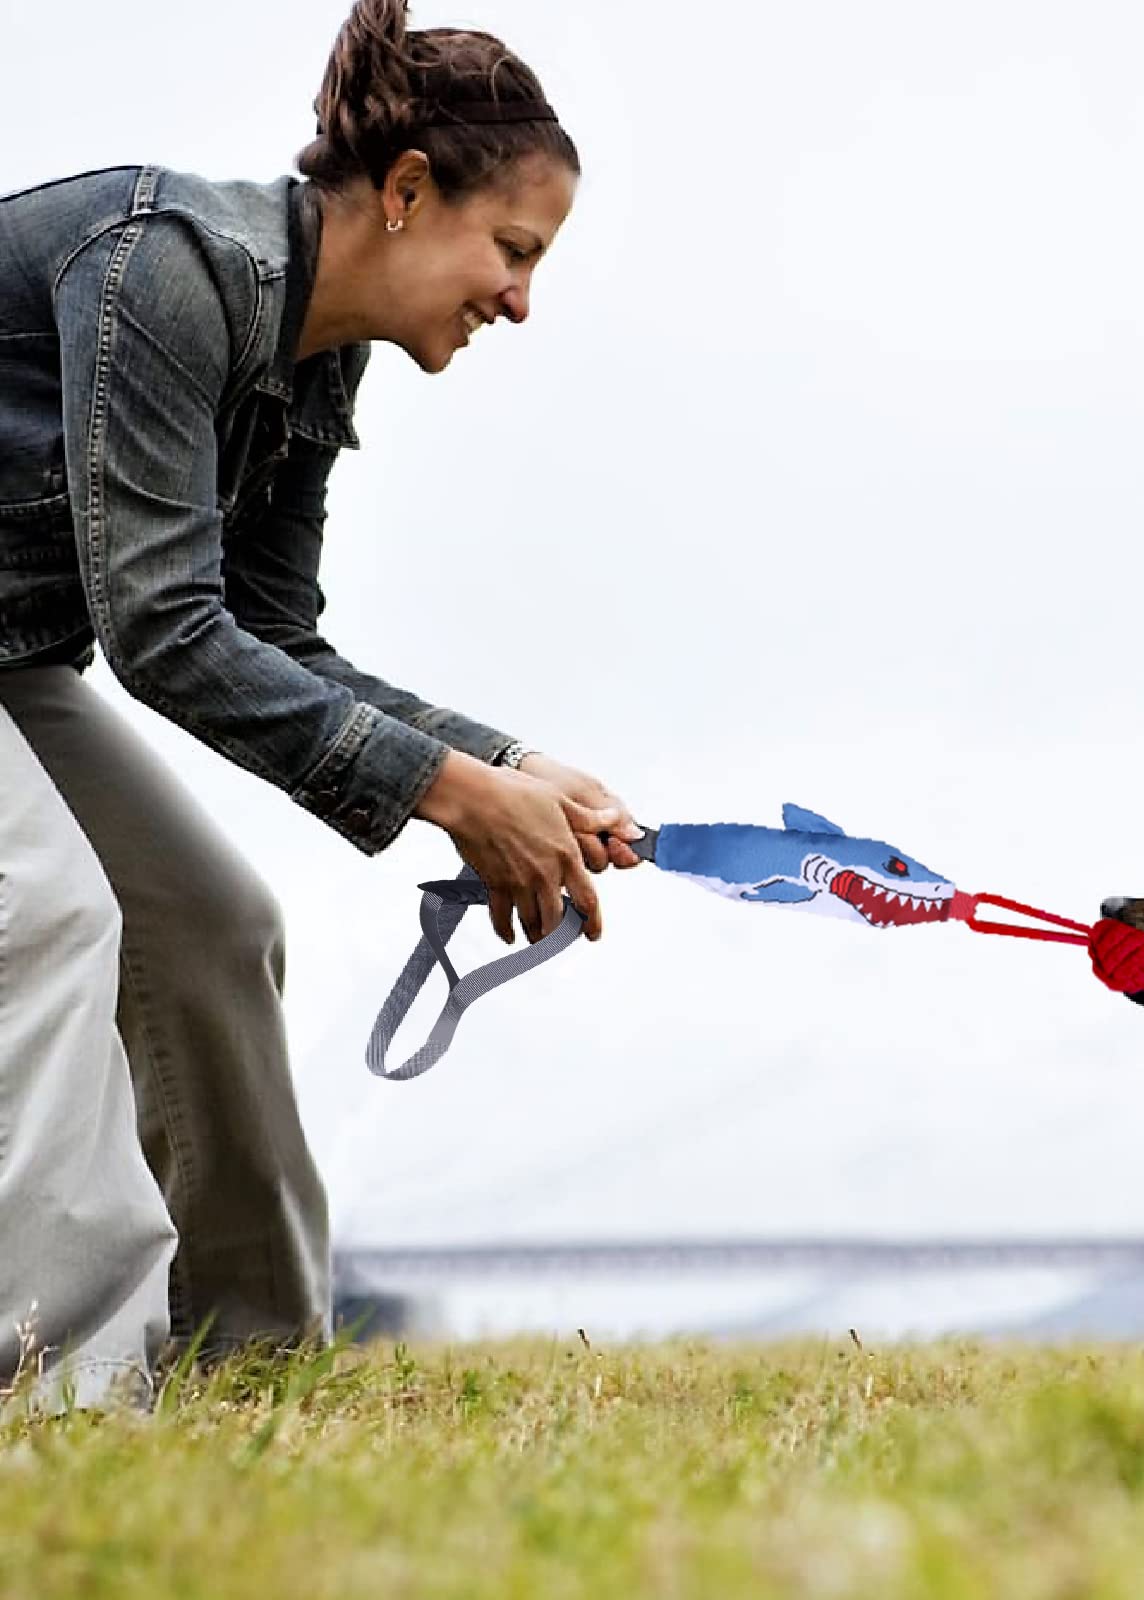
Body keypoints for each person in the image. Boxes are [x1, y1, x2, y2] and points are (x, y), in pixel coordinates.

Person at [0, 0, 642, 1408]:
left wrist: (514, 764)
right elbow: (166, 633)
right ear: (409, 192)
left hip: (11, 658)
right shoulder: (164, 272)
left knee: (213, 925)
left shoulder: (313, 354)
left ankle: (254, 1374)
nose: (522, 302)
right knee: (55, 918)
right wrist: (460, 801)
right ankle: (64, 1397)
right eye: (514, 252)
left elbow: (274, 635)